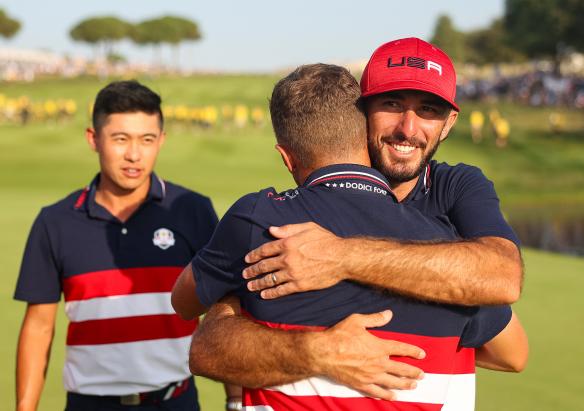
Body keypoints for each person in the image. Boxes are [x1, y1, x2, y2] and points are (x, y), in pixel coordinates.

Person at [172, 63, 528, 410]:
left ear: (286, 157)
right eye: (391, 105)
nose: (407, 128)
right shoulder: (451, 251)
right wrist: (321, 350)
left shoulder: (258, 220)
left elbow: (186, 306)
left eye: (428, 110)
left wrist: (240, 296)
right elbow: (511, 352)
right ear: (364, 123)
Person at [14, 80, 219, 411]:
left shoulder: (193, 210)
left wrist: (237, 400)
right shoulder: (55, 222)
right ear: (93, 140)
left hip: (175, 401)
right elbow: (38, 327)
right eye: (120, 139)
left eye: (147, 139)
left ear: (161, 141)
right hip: (88, 405)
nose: (134, 154)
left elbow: (226, 309)